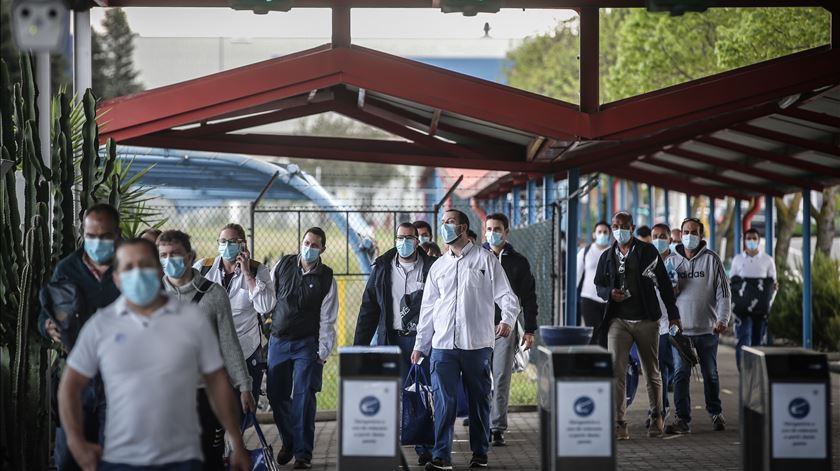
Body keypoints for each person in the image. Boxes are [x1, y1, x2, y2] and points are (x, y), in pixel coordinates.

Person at [58, 238, 250, 471]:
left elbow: (217, 381)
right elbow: (70, 385)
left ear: (157, 271)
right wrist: (76, 441)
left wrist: (237, 441)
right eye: (129, 267)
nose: (137, 273)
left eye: (145, 265)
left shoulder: (191, 319)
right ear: (117, 278)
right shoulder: (101, 325)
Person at [411, 209, 521, 471]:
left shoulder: (486, 260)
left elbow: (507, 296)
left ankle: (480, 454)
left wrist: (507, 320)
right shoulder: (438, 267)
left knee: (479, 400)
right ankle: (442, 457)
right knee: (443, 402)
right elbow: (427, 310)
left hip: (477, 345)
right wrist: (420, 345)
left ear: (462, 228)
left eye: (450, 222)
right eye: (443, 222)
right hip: (443, 346)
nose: (445, 226)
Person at [158, 230, 255, 471]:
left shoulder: (213, 295)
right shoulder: (152, 295)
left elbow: (229, 343)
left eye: (176, 254)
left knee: (208, 459)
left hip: (205, 395)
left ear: (190, 257)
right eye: (163, 255)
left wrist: (244, 386)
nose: (170, 261)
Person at [39, 203, 122, 471]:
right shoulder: (67, 268)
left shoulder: (131, 268)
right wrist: (47, 327)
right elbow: (46, 314)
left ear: (117, 235)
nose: (97, 242)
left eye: (104, 236)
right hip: (77, 377)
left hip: (118, 379)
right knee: (69, 458)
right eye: (91, 236)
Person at [353, 222, 436, 464]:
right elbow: (368, 308)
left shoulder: (431, 268)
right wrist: (360, 346)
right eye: (400, 237)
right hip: (392, 340)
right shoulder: (382, 267)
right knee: (393, 394)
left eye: (409, 238)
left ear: (417, 241)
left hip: (424, 342)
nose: (404, 242)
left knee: (424, 392)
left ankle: (426, 448)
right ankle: (393, 445)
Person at [593, 212, 680, 440]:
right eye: (615, 226)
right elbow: (598, 286)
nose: (619, 230)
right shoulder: (607, 256)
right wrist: (609, 293)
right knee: (617, 371)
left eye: (624, 226)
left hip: (647, 320)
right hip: (618, 322)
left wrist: (673, 315)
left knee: (652, 371)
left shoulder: (647, 251)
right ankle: (620, 422)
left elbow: (663, 283)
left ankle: (656, 416)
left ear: (631, 228)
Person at [267, 227, 338, 469]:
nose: (309, 248)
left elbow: (328, 319)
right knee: (276, 396)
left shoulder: (327, 278)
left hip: (307, 345)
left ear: (323, 249)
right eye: (306, 242)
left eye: (315, 245)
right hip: (278, 341)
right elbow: (269, 299)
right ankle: (289, 440)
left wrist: (323, 351)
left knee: (304, 397)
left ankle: (303, 454)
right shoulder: (283, 265)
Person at [194, 223, 276, 407]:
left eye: (232, 242)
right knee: (211, 409)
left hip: (245, 351)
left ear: (242, 245)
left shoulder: (258, 270)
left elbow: (265, 306)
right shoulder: (203, 268)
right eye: (223, 241)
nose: (227, 245)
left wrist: (247, 274)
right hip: (211, 351)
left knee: (243, 408)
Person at [666, 217, 730, 435]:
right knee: (680, 374)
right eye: (685, 231)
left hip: (707, 330)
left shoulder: (712, 260)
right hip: (680, 332)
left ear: (702, 235)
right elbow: (662, 293)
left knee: (710, 373)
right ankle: (682, 419)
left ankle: (716, 413)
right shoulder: (672, 261)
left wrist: (723, 320)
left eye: (694, 232)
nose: (689, 236)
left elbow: (724, 293)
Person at [482, 213, 538, 447]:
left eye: (497, 229)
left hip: (507, 327)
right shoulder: (477, 257)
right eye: (489, 228)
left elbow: (528, 298)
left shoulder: (519, 262)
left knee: (502, 376)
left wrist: (530, 329)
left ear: (506, 232)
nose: (492, 232)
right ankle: (481, 423)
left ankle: (497, 427)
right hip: (478, 327)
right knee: (480, 378)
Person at [730, 228, 777, 370]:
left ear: (759, 240)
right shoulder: (738, 260)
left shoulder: (767, 260)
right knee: (744, 337)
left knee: (757, 340)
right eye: (748, 238)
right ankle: (743, 369)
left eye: (754, 238)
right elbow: (733, 282)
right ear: (744, 241)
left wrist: (769, 304)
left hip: (761, 309)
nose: (751, 241)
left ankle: (755, 369)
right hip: (741, 309)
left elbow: (773, 285)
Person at [649, 223, 679, 424]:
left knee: (676, 367)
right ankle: (661, 408)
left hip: (676, 322)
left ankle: (680, 412)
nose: (659, 239)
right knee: (659, 368)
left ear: (670, 239)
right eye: (655, 236)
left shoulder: (679, 262)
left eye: (663, 236)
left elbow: (680, 289)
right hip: (655, 323)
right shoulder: (646, 260)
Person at [576, 221, 612, 341]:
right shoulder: (585, 252)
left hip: (609, 299)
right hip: (589, 299)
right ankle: (593, 359)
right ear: (594, 234)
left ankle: (605, 359)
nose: (602, 234)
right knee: (592, 334)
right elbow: (576, 275)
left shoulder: (614, 253)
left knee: (606, 335)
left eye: (605, 232)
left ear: (609, 234)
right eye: (599, 232)